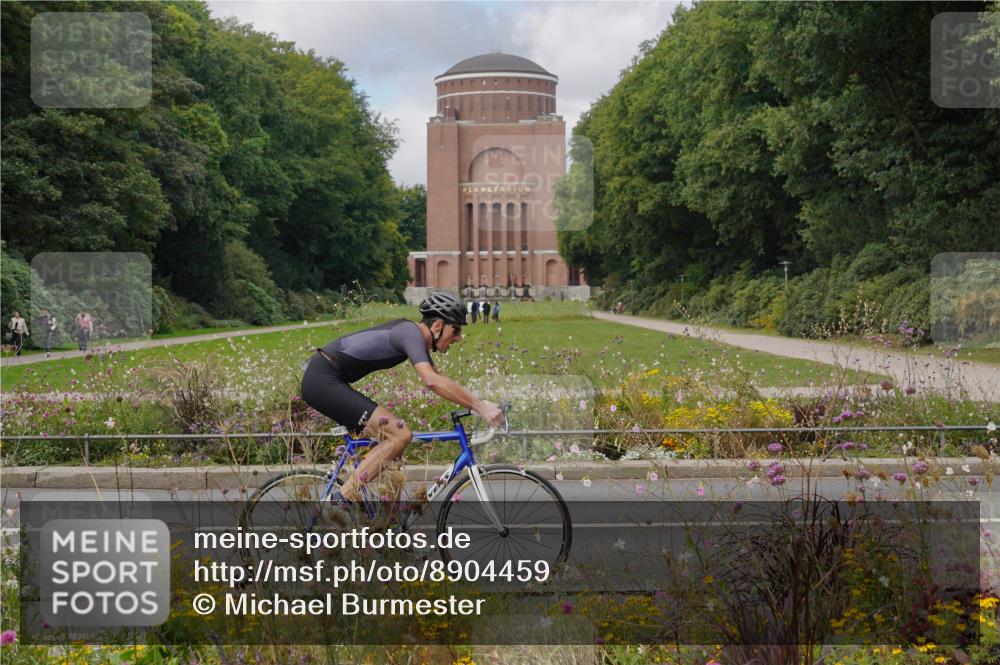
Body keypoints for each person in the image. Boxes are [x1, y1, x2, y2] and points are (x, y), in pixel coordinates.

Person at [300, 292, 503, 504]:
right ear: (437, 326)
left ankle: (387, 519)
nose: (459, 337)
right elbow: (431, 381)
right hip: (322, 380)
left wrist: (481, 402)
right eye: (456, 329)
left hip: (327, 378)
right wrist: (480, 407)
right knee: (400, 435)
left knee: (393, 457)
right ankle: (341, 499)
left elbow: (441, 379)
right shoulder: (410, 334)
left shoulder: (412, 335)